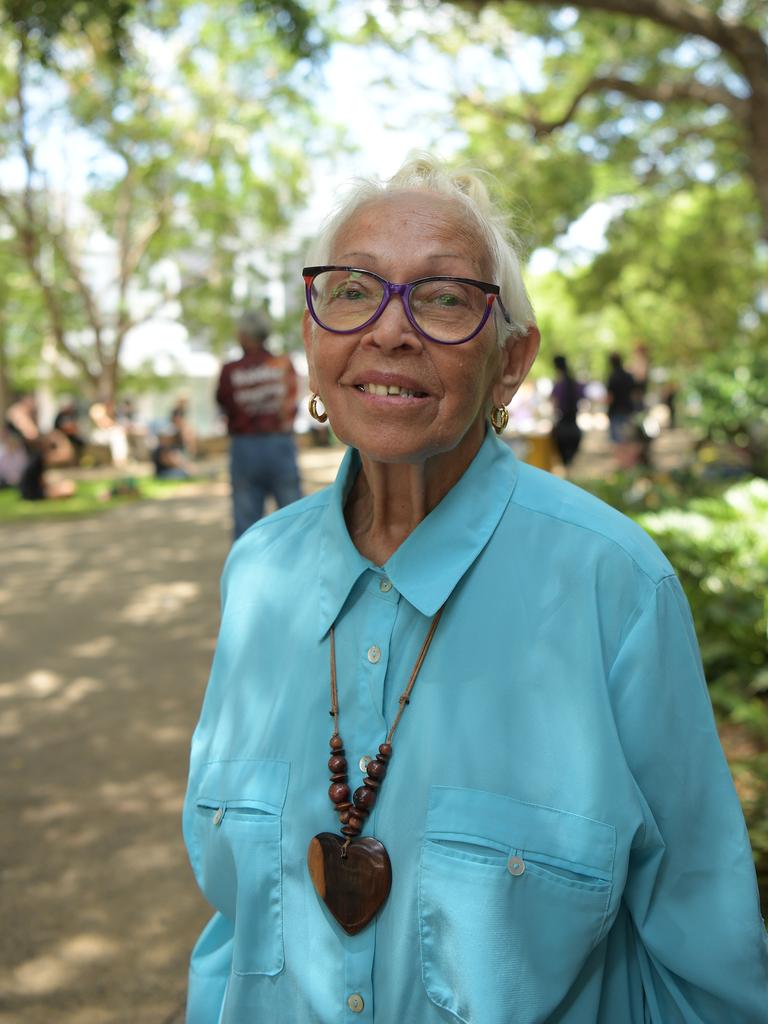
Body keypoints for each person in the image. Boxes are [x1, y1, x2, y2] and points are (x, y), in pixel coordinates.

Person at [183, 156, 768, 1024]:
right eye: (353, 290)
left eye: (445, 298)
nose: (389, 331)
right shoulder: (259, 571)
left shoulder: (613, 584)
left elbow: (707, 964)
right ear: (312, 340)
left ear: (510, 363)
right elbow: (232, 931)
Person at [215, 309, 301, 538]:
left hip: (245, 446)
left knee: (246, 522)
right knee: (294, 514)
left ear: (244, 336)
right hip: (281, 444)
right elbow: (293, 401)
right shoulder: (282, 364)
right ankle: (299, 568)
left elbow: (223, 402)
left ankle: (247, 571)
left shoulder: (231, 370)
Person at [550, 353, 584, 473]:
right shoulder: (574, 383)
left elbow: (554, 404)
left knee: (565, 462)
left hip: (563, 427)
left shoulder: (558, 384)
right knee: (569, 463)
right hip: (574, 427)